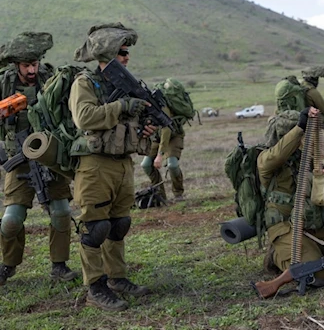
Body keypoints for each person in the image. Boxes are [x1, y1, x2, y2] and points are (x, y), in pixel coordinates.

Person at [69, 22, 155, 311]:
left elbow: (124, 124)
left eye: (128, 52)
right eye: (122, 52)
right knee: (96, 227)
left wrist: (141, 130)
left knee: (119, 225)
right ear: (107, 53)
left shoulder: (124, 86)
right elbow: (85, 118)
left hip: (122, 164)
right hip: (95, 165)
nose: (127, 57)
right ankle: (95, 287)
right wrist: (122, 107)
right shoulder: (86, 82)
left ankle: (117, 278)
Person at [0, 32, 76, 286]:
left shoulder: (51, 80)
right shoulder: (4, 83)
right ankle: (8, 265)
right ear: (16, 65)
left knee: (61, 212)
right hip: (18, 157)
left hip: (50, 156)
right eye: (26, 66)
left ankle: (59, 265)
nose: (32, 70)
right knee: (11, 220)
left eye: (35, 64)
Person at [257, 107, 324, 286]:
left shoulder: (304, 158)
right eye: (301, 136)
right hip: (284, 226)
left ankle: (308, 250)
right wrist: (299, 128)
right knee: (317, 274)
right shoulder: (266, 160)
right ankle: (276, 255)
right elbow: (277, 154)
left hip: (308, 222)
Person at [140, 78, 186, 202]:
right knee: (146, 165)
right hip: (157, 138)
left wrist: (160, 155)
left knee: (172, 165)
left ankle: (178, 194)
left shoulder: (161, 107)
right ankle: (160, 194)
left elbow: (167, 130)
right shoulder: (143, 107)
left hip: (174, 136)